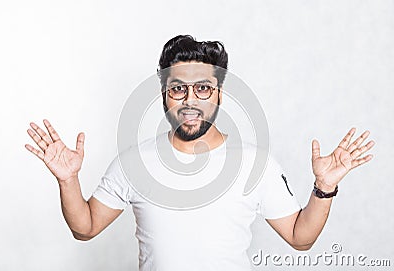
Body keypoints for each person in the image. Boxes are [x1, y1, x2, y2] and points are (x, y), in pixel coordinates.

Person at [25, 35, 375, 270]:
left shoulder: (254, 164)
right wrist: (69, 180)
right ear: (164, 95)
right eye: (178, 89)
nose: (190, 100)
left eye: (203, 88)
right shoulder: (133, 163)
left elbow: (301, 238)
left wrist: (324, 187)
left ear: (219, 94)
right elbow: (85, 229)